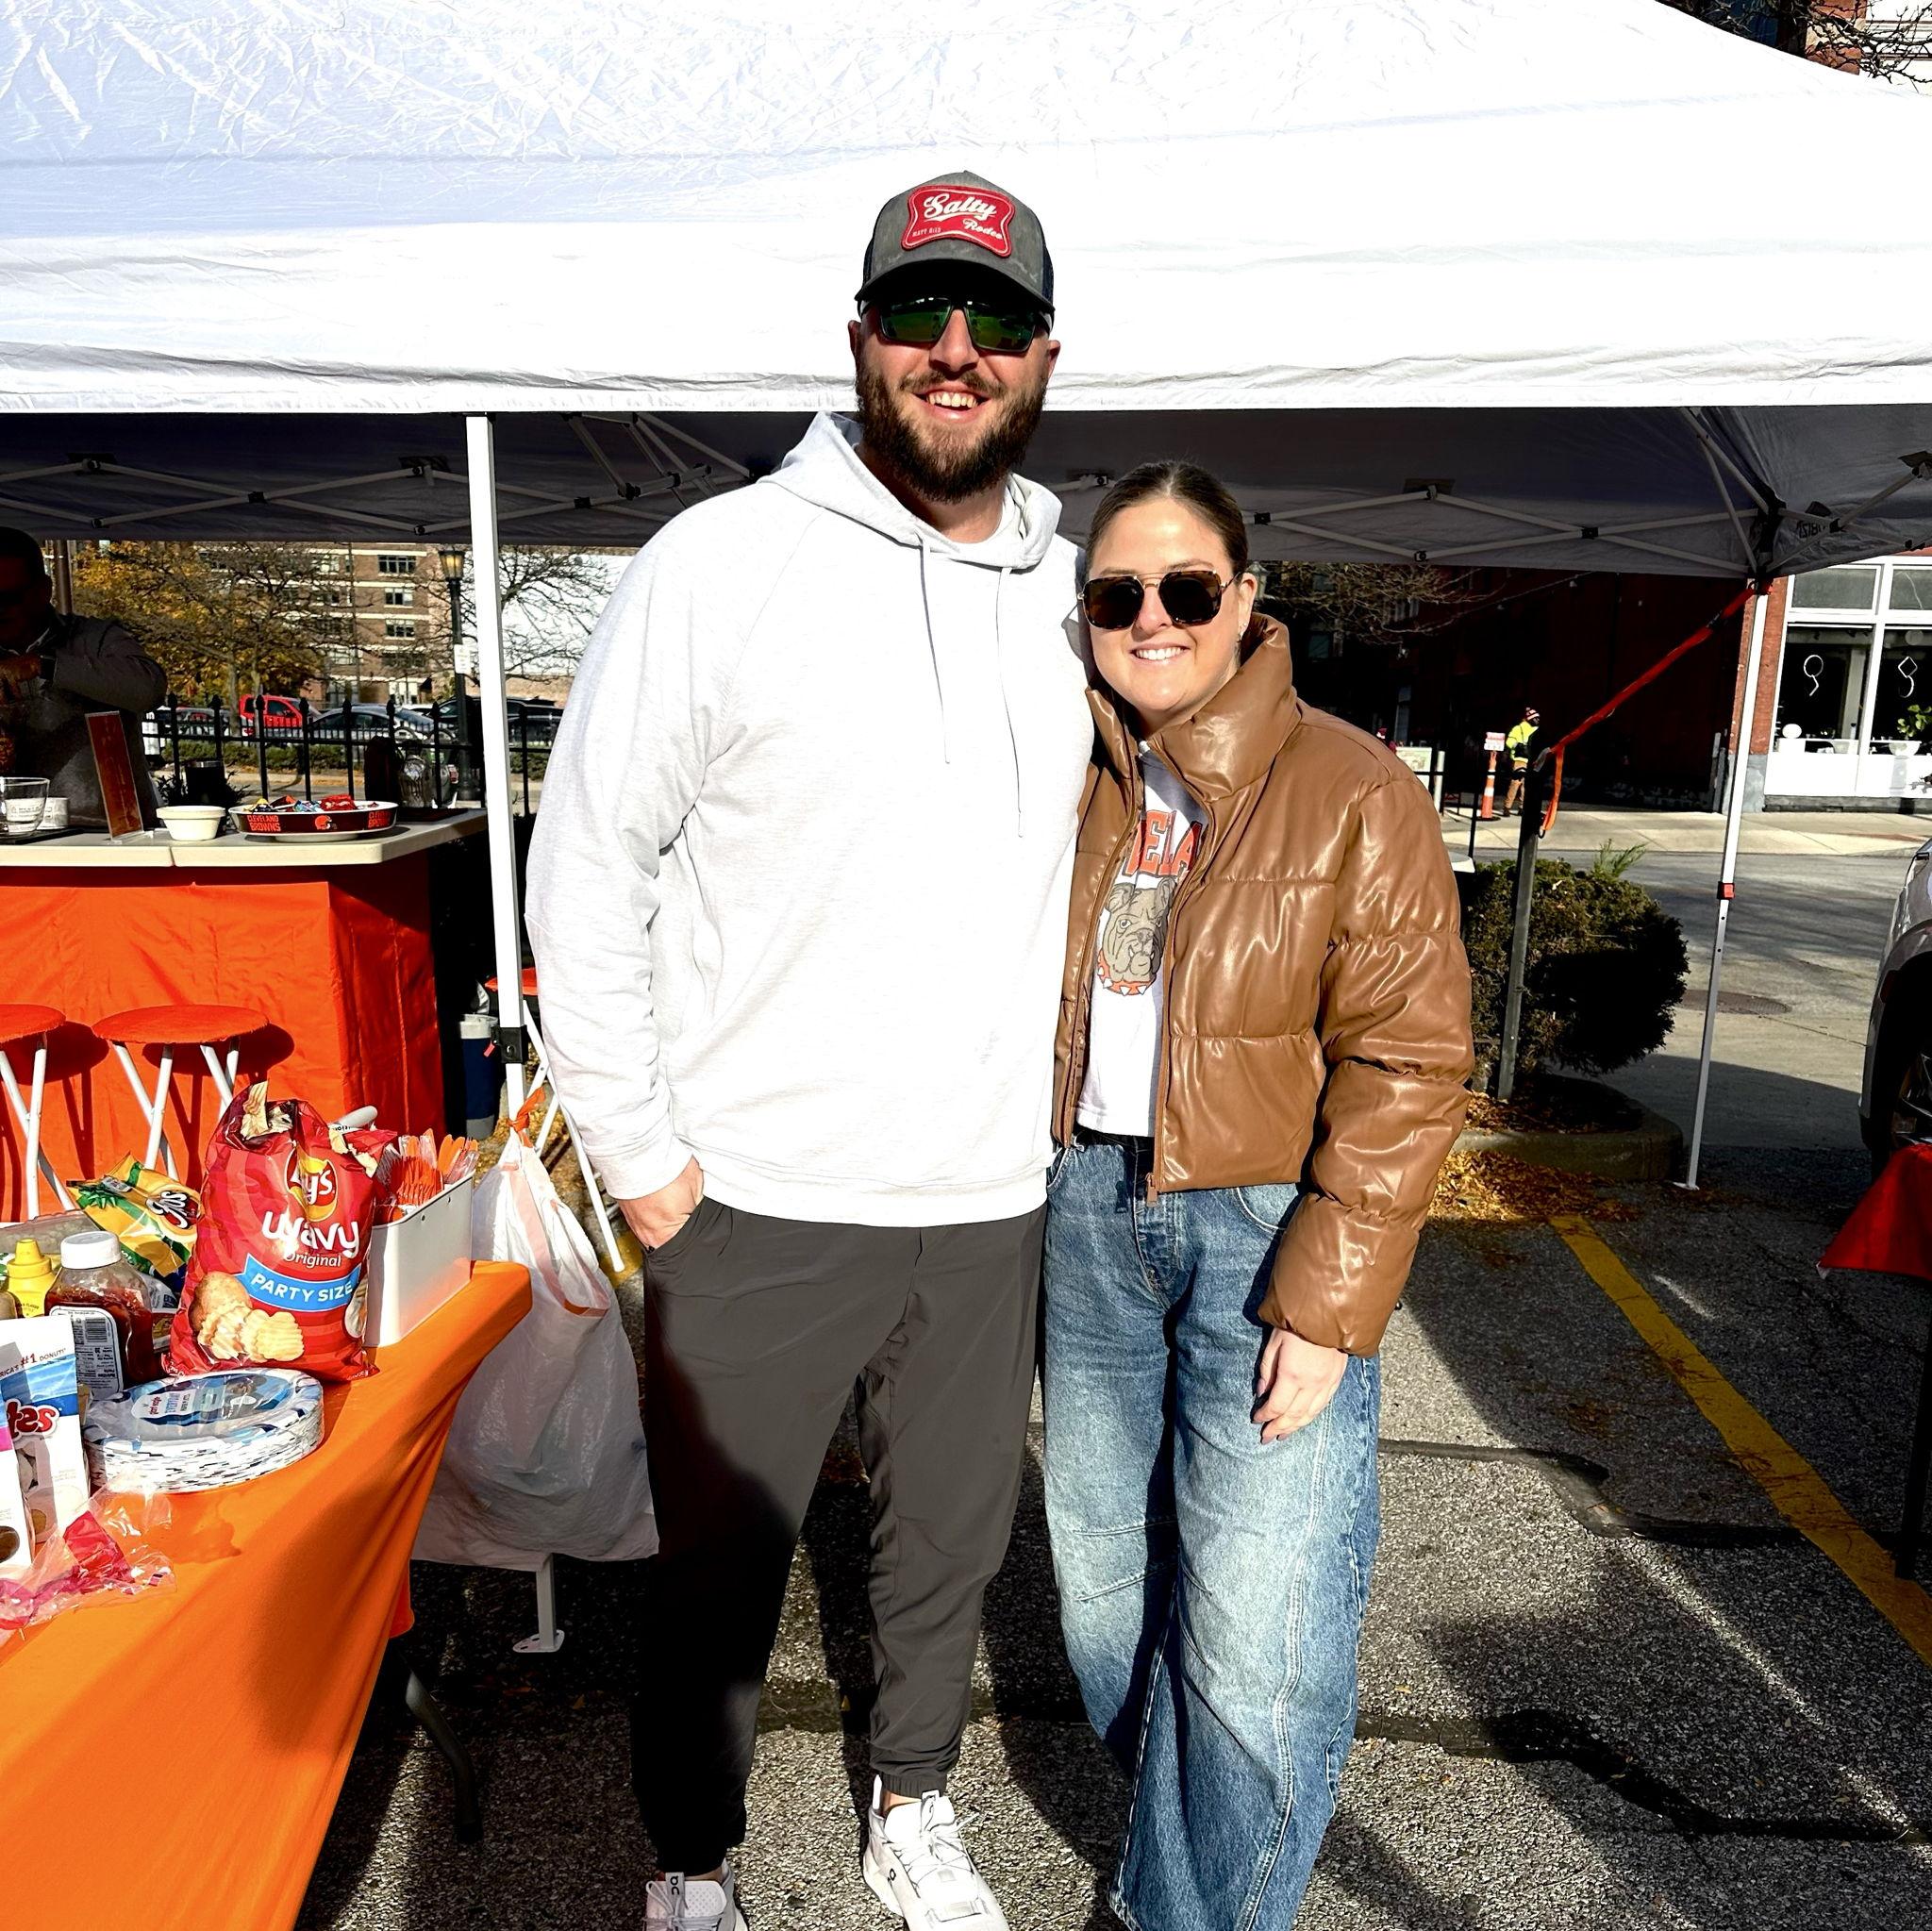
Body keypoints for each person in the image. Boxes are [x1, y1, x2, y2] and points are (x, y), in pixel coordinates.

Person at [526, 174, 1090, 1931]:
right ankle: (689, 1861)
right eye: (918, 313)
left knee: (945, 1552)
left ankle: (909, 1806)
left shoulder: (1079, 593)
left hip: (988, 1189)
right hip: (753, 1191)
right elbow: (587, 864)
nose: (952, 349)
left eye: (991, 321)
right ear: (858, 338)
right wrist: (643, 1165)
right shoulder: (720, 565)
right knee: (716, 1581)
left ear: (1041, 357)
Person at [1043, 463, 1473, 1929]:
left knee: (1254, 1631)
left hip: (1260, 1226)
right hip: (1089, 1211)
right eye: (1119, 593)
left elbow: (1409, 1054)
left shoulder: (1351, 784)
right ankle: (1182, 1866)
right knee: (1108, 1596)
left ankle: (1184, 1911)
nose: (1151, 617)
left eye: (1185, 588)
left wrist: (1331, 1296)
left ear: (1245, 601)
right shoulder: (1077, 771)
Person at [0, 528, 166, 825]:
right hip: (13, 837)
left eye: (8, 598)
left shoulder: (94, 638)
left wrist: (47, 665)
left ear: (44, 591)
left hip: (105, 832)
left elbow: (149, 689)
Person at [1502, 703, 1541, 814]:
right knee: (1520, 784)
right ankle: (1515, 807)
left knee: (1519, 784)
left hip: (1526, 761)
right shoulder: (1522, 729)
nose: (1538, 720)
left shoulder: (1520, 728)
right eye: (1536, 718)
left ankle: (1510, 807)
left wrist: (1517, 745)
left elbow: (1509, 741)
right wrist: (1519, 746)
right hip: (1523, 760)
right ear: (1530, 719)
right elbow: (1509, 742)